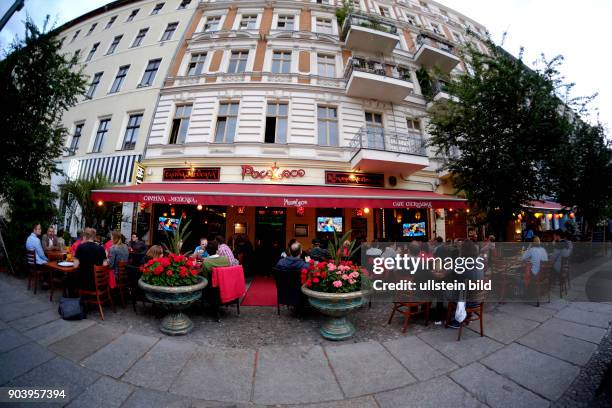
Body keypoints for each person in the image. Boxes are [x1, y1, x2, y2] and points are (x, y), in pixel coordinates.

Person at [73, 228, 107, 292]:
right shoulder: (101, 248)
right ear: (94, 237)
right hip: (99, 282)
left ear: (85, 236)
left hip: (84, 283)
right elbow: (105, 265)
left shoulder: (80, 247)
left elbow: (75, 265)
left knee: (70, 277)